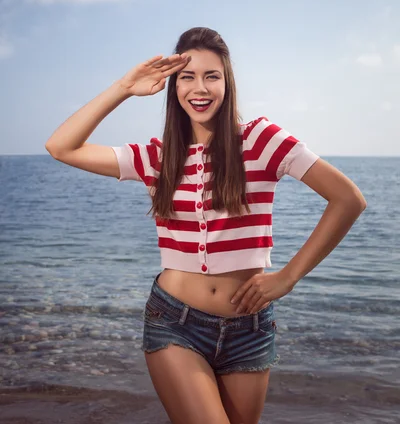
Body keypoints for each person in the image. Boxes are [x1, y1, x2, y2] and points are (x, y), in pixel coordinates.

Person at [45, 27, 367, 424]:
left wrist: (288, 277)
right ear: (173, 86)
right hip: (175, 324)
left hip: (249, 325)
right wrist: (124, 87)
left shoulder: (262, 140)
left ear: (226, 82)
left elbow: (348, 199)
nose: (200, 88)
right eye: (188, 76)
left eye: (211, 76)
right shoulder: (156, 157)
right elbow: (61, 146)